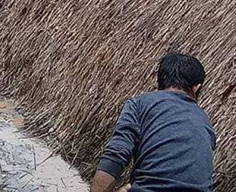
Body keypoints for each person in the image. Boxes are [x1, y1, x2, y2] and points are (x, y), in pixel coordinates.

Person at [90, 53, 216, 192]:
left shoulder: (140, 104)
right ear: (197, 88)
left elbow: (116, 154)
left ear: (160, 81)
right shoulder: (205, 122)